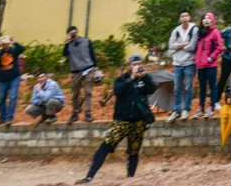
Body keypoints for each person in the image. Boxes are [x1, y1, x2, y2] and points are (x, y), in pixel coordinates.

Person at [75, 54, 156, 184]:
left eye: (139, 64)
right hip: (121, 121)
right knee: (106, 145)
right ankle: (89, 176)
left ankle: (130, 178)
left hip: (138, 121)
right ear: (129, 66)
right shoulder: (121, 78)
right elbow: (118, 91)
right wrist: (131, 77)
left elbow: (152, 89)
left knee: (134, 151)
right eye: (134, 64)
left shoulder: (145, 78)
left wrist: (144, 77)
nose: (137, 66)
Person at [165, 11, 198, 122]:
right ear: (180, 19)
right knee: (177, 88)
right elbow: (171, 45)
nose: (184, 18)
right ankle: (177, 110)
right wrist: (185, 44)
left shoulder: (194, 29)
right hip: (177, 63)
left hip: (189, 63)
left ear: (189, 17)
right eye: (182, 16)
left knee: (188, 87)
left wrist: (179, 46)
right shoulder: (176, 30)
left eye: (186, 16)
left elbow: (193, 46)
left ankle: (186, 109)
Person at [63, 26, 99, 123]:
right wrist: (67, 42)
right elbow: (64, 54)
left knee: (88, 92)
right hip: (75, 72)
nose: (73, 35)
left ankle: (88, 113)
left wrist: (96, 68)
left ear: (77, 32)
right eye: (71, 33)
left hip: (88, 69)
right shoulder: (69, 45)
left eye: (74, 33)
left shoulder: (86, 41)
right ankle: (75, 113)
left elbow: (92, 54)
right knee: (75, 94)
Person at [193, 12, 223, 118]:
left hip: (211, 65)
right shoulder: (199, 34)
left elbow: (219, 47)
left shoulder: (215, 33)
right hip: (200, 65)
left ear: (212, 20)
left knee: (212, 86)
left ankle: (211, 107)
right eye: (204, 18)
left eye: (208, 18)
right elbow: (196, 48)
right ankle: (201, 107)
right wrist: (196, 59)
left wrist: (211, 57)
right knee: (202, 87)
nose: (206, 20)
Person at [0, 35, 25, 125]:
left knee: (13, 97)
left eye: (6, 43)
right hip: (2, 79)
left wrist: (15, 43)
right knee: (1, 99)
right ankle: (2, 117)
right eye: (3, 44)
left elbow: (22, 49)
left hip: (14, 77)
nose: (5, 45)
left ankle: (9, 117)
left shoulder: (13, 51)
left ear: (8, 44)